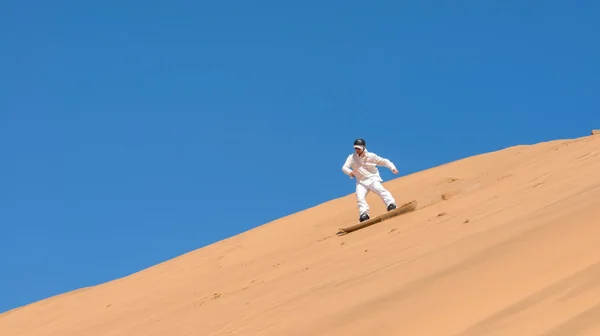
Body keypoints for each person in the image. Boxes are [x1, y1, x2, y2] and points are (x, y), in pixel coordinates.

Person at [342, 138, 399, 222]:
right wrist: (349, 172)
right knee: (359, 197)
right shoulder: (351, 157)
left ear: (363, 147)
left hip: (372, 179)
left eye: (358, 148)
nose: (356, 150)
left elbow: (384, 161)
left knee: (380, 190)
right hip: (361, 182)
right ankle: (364, 214)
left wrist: (392, 167)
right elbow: (344, 167)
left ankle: (391, 204)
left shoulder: (371, 156)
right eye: (355, 148)